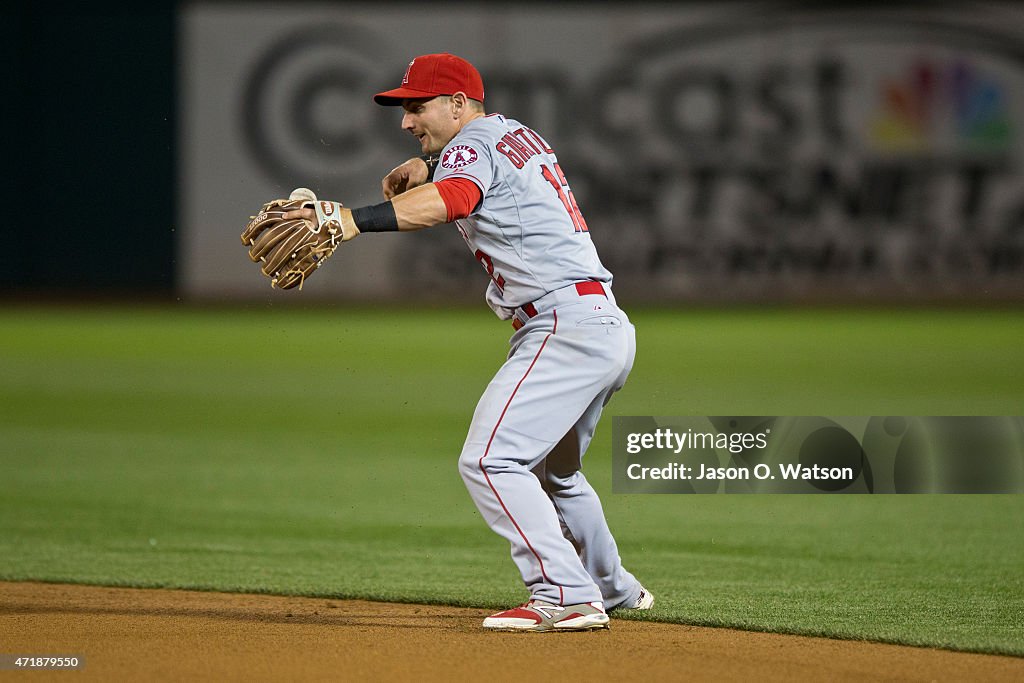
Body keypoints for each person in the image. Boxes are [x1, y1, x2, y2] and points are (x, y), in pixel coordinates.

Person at [285, 52, 652, 632]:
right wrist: (427, 168)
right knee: (556, 476)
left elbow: (453, 201)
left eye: (417, 106)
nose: (407, 121)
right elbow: (481, 178)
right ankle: (614, 588)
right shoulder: (512, 134)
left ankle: (564, 592)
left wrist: (351, 220)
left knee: (490, 459)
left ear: (459, 104)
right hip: (602, 323)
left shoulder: (471, 146)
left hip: (564, 328)